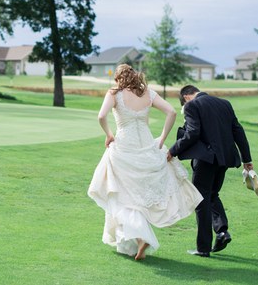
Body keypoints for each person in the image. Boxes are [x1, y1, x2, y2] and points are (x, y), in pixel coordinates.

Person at [87, 65, 203, 261]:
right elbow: (172, 112)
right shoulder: (148, 93)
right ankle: (139, 238)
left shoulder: (115, 93)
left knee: (123, 195)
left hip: (123, 147)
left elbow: (101, 116)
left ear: (118, 79)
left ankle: (141, 238)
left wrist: (109, 134)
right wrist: (162, 139)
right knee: (136, 196)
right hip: (147, 147)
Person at [167, 85, 253, 257]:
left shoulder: (192, 106)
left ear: (186, 97)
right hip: (224, 159)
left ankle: (203, 248)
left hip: (205, 160)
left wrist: (173, 150)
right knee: (212, 195)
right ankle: (222, 232)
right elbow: (238, 131)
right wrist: (247, 160)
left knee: (200, 200)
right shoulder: (224, 103)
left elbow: (192, 133)